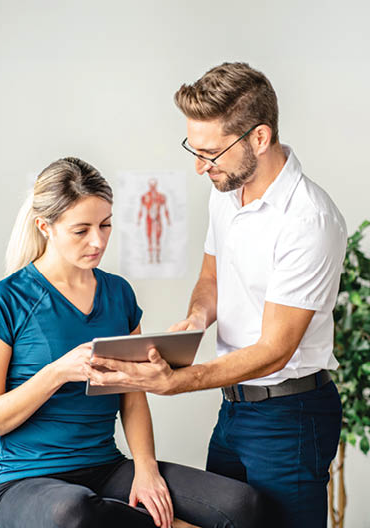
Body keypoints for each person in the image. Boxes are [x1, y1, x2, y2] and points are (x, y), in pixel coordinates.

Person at [86, 63, 348, 528]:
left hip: (290, 415)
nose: (199, 165)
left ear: (260, 138)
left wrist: (179, 382)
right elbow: (212, 276)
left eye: (210, 152)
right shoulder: (226, 192)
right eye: (194, 148)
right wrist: (194, 320)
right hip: (234, 409)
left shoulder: (307, 221)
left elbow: (275, 350)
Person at [0, 157, 263, 528]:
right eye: (81, 230)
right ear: (45, 226)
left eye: (106, 225)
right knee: (73, 512)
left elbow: (133, 395)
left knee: (240, 504)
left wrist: (146, 468)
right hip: (24, 480)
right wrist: (57, 373)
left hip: (105, 467)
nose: (98, 240)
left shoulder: (118, 293)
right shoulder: (4, 300)